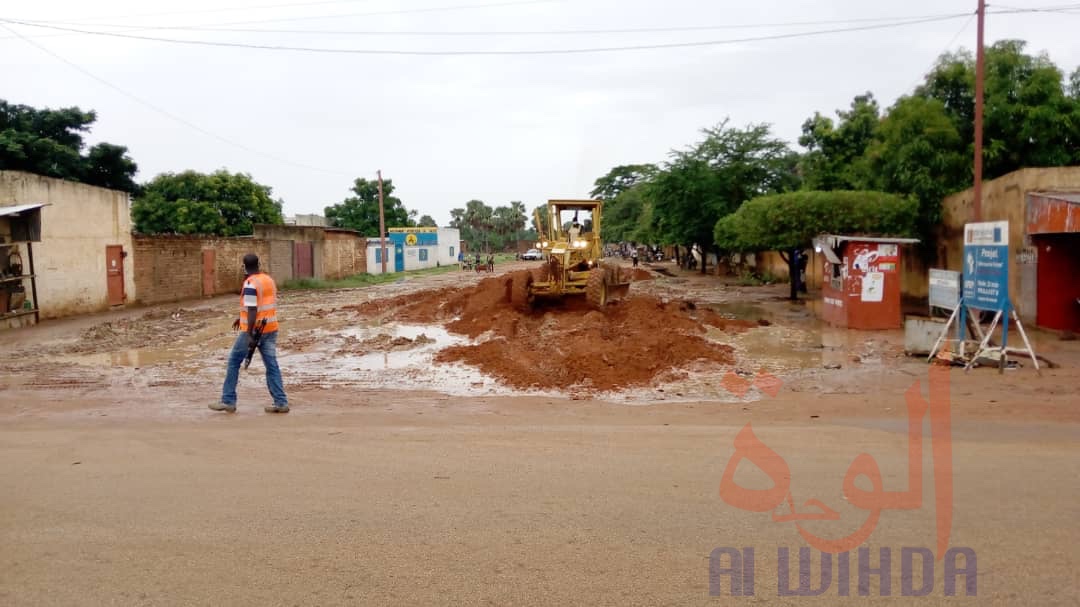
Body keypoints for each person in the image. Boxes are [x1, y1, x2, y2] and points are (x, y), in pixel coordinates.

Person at [210, 253, 289, 414]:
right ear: (258, 264)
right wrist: (241, 317)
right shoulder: (268, 280)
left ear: (244, 267)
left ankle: (228, 400)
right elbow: (260, 304)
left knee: (233, 362)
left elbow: (253, 309)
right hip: (271, 328)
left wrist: (250, 334)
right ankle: (281, 403)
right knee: (272, 365)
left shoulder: (250, 284)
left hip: (253, 331)